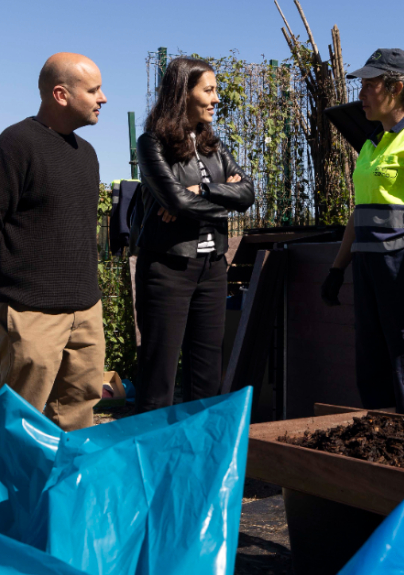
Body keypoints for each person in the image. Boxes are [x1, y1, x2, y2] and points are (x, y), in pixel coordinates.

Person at [0, 53, 108, 431]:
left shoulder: (87, 155)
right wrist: (4, 293)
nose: (103, 98)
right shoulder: (14, 146)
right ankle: (2, 488)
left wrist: (87, 300)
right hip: (31, 311)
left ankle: (65, 487)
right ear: (61, 94)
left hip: (85, 310)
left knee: (78, 413)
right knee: (19, 416)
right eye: (94, 90)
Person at [321, 48, 404, 418]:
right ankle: (380, 463)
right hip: (368, 271)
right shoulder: (370, 143)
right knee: (372, 368)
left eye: (369, 84)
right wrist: (337, 268)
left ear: (395, 87)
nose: (360, 93)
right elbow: (360, 213)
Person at [131, 57, 255, 413]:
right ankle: (154, 461)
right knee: (159, 377)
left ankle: (201, 459)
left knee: (206, 375)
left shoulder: (213, 145)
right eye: (209, 90)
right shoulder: (151, 144)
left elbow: (247, 195)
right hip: (168, 268)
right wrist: (219, 197)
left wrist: (200, 191)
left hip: (213, 267)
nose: (216, 99)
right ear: (182, 93)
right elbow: (173, 199)